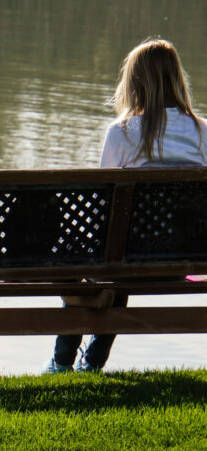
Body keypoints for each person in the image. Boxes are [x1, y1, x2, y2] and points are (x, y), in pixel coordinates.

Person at [43, 37, 207, 374]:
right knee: (116, 258)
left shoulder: (122, 132)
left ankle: (63, 362)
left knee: (98, 258)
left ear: (134, 85)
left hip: (127, 259)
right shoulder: (204, 133)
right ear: (177, 80)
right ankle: (89, 363)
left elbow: (103, 203)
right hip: (183, 260)